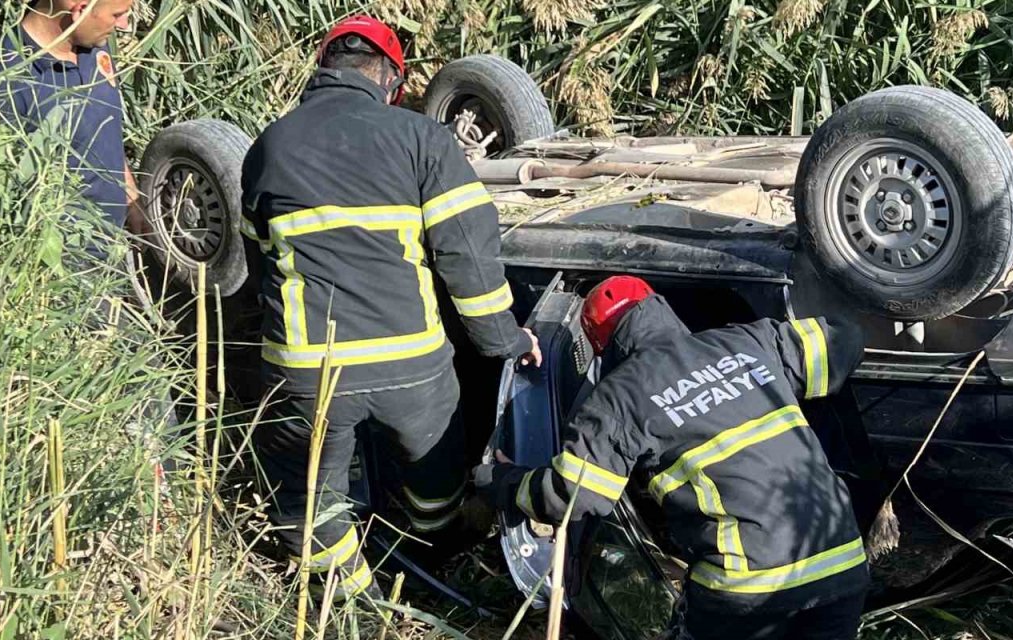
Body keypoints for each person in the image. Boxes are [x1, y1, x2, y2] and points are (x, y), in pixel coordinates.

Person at [239, 16, 542, 602]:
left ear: (323, 70)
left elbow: (260, 270)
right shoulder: (419, 138)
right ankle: (433, 560)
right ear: (391, 81)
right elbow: (467, 255)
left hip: (309, 370)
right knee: (435, 482)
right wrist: (505, 340)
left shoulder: (268, 146)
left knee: (310, 503)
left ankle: (351, 608)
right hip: (411, 363)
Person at [474, 276, 870, 640]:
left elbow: (572, 495)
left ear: (602, 346)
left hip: (747, 584)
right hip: (841, 561)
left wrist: (502, 481)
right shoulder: (751, 341)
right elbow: (845, 339)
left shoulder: (620, 397)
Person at [0, 0, 144, 253]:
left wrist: (130, 196)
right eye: (117, 14)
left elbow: (103, 128)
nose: (124, 25)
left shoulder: (93, 45)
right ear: (80, 9)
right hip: (63, 261)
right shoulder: (6, 78)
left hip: (114, 245)